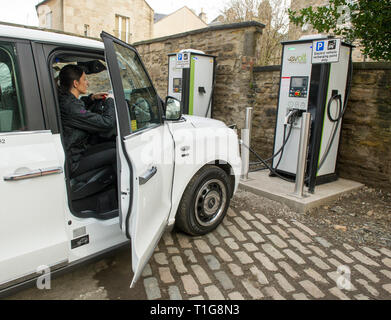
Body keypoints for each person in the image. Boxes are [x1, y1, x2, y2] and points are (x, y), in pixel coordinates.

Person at [58, 64, 116, 177]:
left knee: (113, 145)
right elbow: (107, 123)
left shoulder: (65, 99)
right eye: (84, 79)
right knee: (117, 152)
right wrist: (110, 100)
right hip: (74, 161)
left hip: (75, 152)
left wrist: (92, 98)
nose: (87, 83)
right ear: (75, 83)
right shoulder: (71, 107)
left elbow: (78, 108)